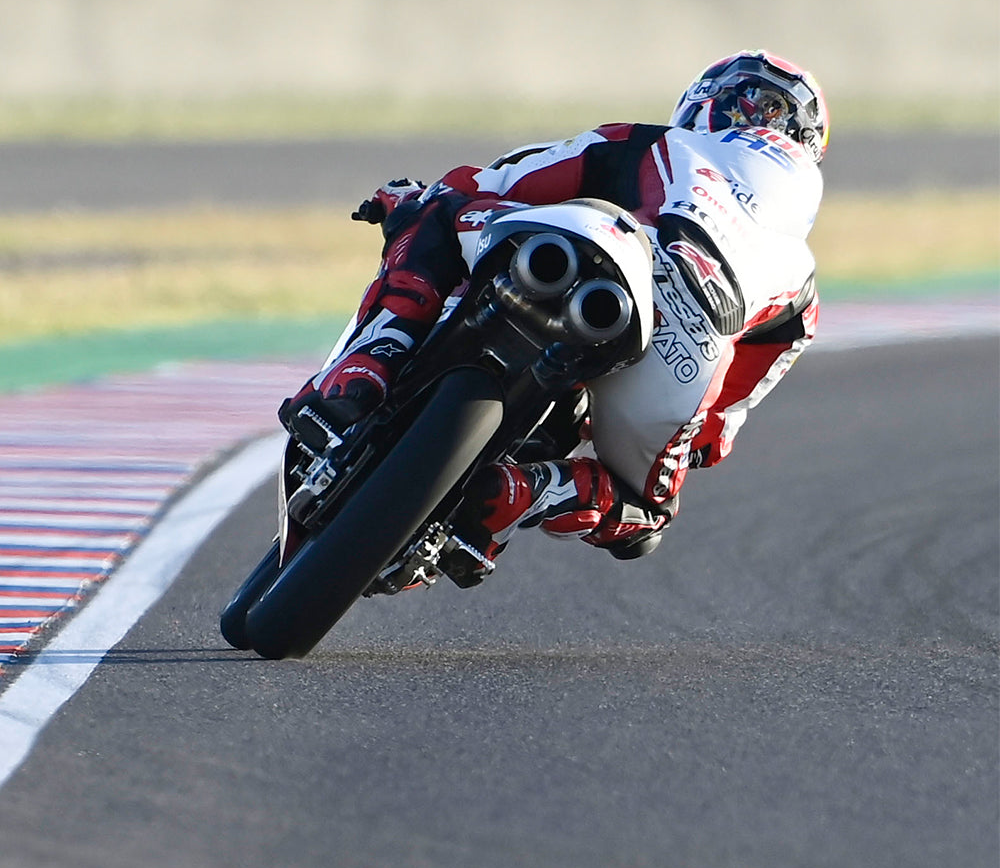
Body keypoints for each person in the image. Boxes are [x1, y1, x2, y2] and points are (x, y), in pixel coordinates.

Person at [280, 50, 829, 576]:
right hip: (689, 350)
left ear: (705, 104)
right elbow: (720, 425)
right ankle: (526, 493)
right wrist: (688, 438)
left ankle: (369, 363)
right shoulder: (802, 281)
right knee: (644, 516)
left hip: (599, 247)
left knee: (436, 206)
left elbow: (502, 179)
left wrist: (410, 202)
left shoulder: (664, 143)